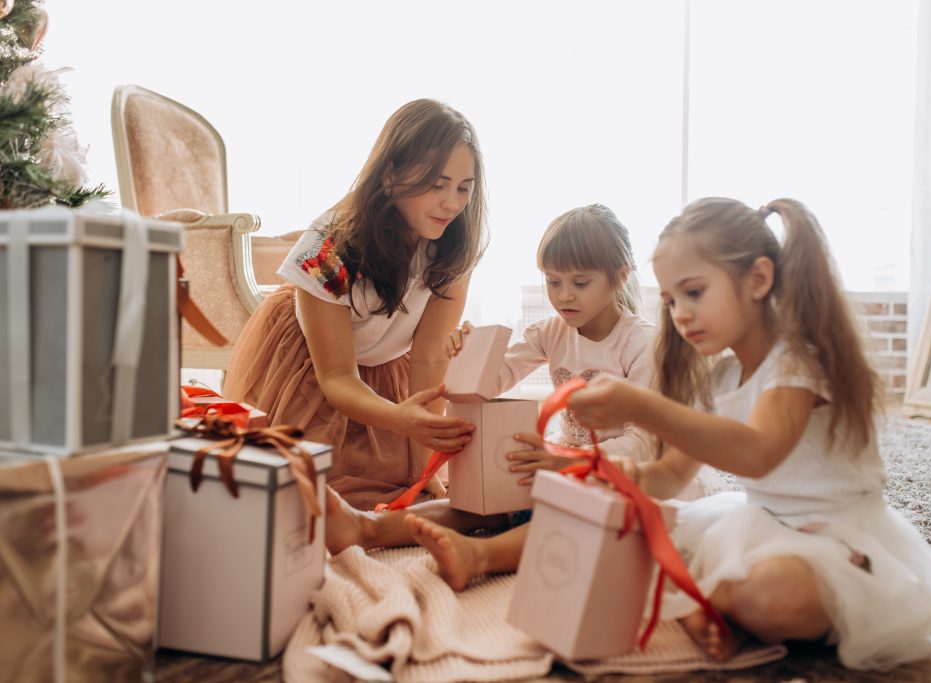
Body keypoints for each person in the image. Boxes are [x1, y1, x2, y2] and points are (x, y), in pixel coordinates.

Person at [566, 197, 931, 671]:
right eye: (671, 301)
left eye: (694, 292)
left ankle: (700, 598)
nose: (680, 315)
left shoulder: (798, 363)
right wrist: (617, 474)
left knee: (777, 595)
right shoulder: (720, 379)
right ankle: (488, 555)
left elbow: (757, 455)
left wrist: (642, 405)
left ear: (757, 279)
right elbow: (671, 477)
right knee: (625, 528)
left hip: (837, 537)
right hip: (756, 523)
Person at [326, 204, 728, 589]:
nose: (564, 296)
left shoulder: (640, 343)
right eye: (553, 282)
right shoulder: (551, 331)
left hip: (623, 470)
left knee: (565, 512)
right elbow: (492, 382)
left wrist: (565, 464)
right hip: (566, 460)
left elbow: (645, 444)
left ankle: (480, 555)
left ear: (619, 277)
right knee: (487, 497)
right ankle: (367, 528)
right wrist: (465, 354)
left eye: (580, 283)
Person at [222, 99, 487, 511]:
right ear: (392, 173)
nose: (452, 203)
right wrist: (398, 419)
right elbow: (337, 377)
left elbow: (430, 356)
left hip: (385, 366)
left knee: (415, 489)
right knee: (307, 498)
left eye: (464, 188)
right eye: (437, 184)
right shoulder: (328, 247)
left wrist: (425, 466)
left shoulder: (453, 247)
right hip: (312, 365)